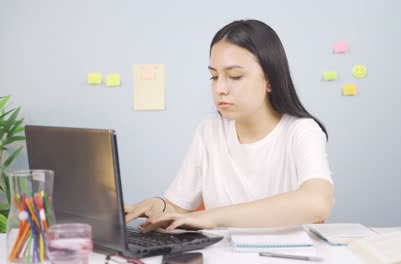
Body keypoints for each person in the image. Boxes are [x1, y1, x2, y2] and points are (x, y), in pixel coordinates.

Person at [125, 19, 334, 233]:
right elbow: (180, 207)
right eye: (214, 77)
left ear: (270, 79)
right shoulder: (210, 129)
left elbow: (318, 201)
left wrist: (213, 218)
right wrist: (158, 205)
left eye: (235, 76)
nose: (220, 88)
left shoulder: (301, 131)